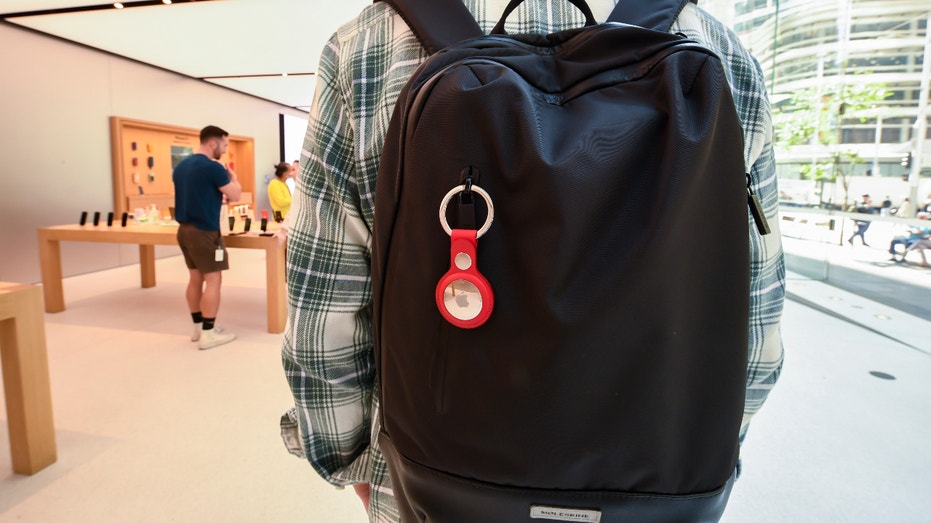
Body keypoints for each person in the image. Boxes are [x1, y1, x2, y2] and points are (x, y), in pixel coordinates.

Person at [280, 2, 786, 521]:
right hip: (657, 491)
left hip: (436, 482)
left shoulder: (366, 45)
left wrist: (354, 467)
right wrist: (699, 464)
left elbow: (325, 305)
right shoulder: (715, 47)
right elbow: (757, 329)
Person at [173, 125, 242, 350]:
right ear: (213, 143)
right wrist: (233, 177)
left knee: (195, 278)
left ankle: (198, 328)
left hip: (184, 231)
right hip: (205, 232)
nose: (224, 149)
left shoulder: (181, 166)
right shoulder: (213, 168)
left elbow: (199, 194)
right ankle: (209, 333)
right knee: (214, 280)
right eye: (224, 144)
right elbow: (235, 194)